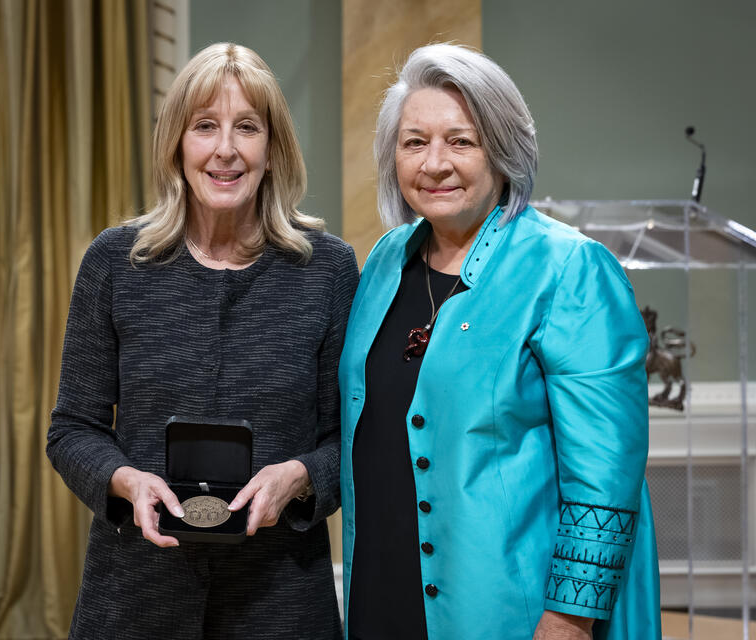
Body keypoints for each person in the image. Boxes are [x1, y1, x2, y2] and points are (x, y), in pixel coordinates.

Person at [338, 43, 661, 640]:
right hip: (380, 595)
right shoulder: (385, 262)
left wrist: (568, 620)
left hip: (507, 613)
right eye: (414, 142)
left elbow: (606, 478)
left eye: (461, 141)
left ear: (504, 149)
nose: (435, 164)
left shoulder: (569, 270)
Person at [47, 43, 358, 639]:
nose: (225, 149)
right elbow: (72, 428)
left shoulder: (329, 271)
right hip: (136, 593)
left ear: (273, 149)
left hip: (282, 598)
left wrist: (300, 475)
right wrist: (124, 480)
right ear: (176, 145)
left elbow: (351, 438)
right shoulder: (115, 261)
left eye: (247, 127)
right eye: (205, 127)